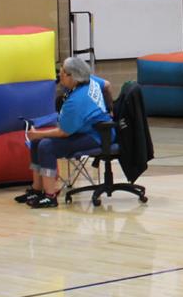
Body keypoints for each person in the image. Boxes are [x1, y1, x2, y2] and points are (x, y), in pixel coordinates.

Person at [19, 57, 114, 208]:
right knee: (37, 142)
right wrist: (110, 109)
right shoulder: (90, 80)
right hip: (98, 129)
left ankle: (50, 197)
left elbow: (64, 133)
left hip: (96, 136)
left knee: (46, 146)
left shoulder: (76, 101)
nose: (60, 75)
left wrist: (39, 134)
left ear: (74, 76)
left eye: (63, 72)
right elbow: (107, 85)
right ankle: (37, 190)